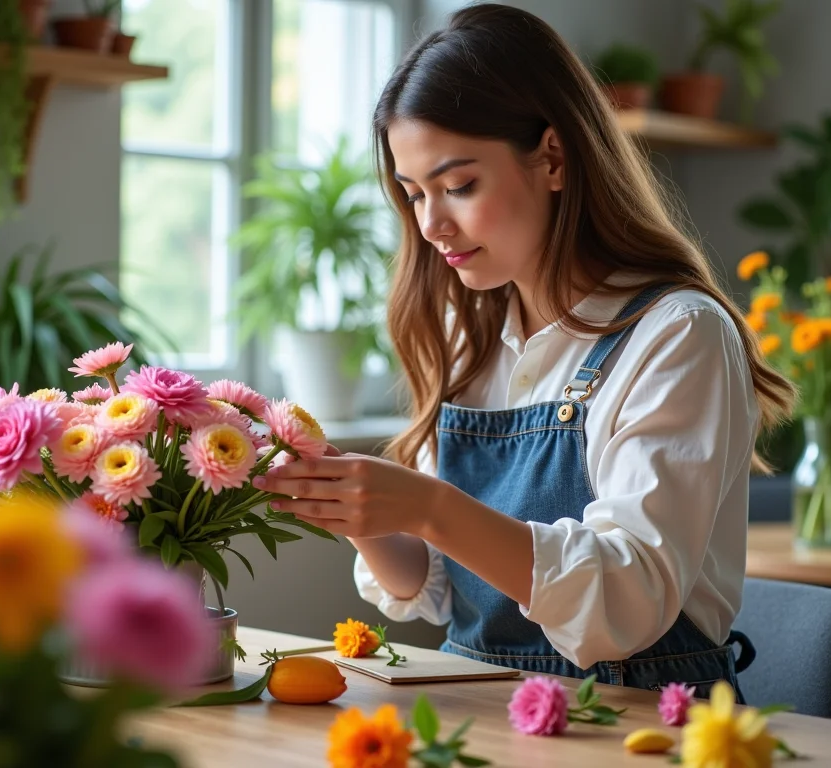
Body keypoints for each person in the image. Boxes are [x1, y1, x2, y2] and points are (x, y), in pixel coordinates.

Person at [249, 2, 795, 697]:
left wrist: (426, 506)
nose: (431, 225)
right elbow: (434, 585)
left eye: (459, 186)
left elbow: (629, 601)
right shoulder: (472, 338)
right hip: (486, 707)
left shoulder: (676, 334)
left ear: (554, 157)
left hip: (640, 726)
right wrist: (356, 510)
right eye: (413, 195)